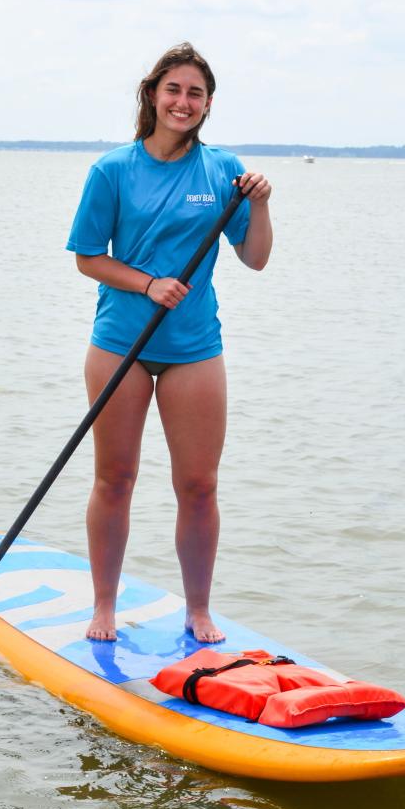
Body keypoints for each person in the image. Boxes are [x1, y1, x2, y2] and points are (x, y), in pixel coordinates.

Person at [66, 42, 272, 643]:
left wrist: (259, 204)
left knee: (199, 484)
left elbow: (255, 259)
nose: (184, 102)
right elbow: (88, 259)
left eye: (196, 93)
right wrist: (148, 284)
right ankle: (103, 605)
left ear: (208, 105)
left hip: (194, 348)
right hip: (120, 345)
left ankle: (199, 610)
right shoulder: (112, 170)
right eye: (174, 90)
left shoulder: (224, 172)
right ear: (153, 95)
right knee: (116, 478)